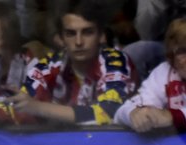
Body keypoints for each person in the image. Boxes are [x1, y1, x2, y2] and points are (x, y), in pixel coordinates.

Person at [11, 0, 139, 125]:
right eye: (71, 34)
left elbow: (110, 112)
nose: (78, 42)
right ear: (61, 39)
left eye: (87, 32)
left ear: (101, 36)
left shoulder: (115, 62)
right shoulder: (48, 66)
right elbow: (19, 106)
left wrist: (38, 108)